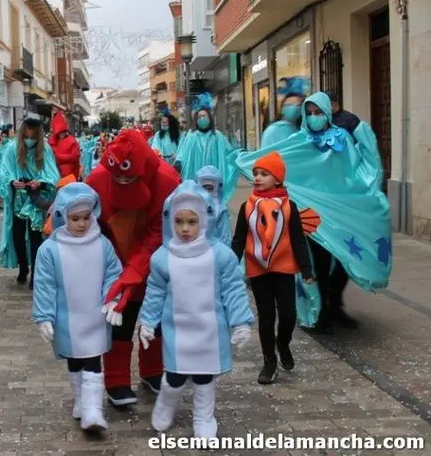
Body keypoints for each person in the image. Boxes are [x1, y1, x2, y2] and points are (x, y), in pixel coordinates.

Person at [235, 91, 391, 334]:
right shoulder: (299, 140)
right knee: (319, 264)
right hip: (313, 217)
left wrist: (365, 195)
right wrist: (246, 161)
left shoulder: (342, 138)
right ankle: (322, 312)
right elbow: (275, 160)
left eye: (318, 112)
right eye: (309, 113)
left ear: (328, 112)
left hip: (340, 213)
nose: (314, 117)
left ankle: (335, 305)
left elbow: (353, 172)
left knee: (344, 261)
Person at [138, 181, 254, 437]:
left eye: (192, 221)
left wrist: (241, 322)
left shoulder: (220, 255)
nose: (185, 228)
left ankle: (204, 418)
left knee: (205, 377)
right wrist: (148, 321)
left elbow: (233, 289)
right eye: (179, 221)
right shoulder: (163, 257)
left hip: (209, 329)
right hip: (177, 329)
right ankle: (166, 403)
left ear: (204, 220)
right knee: (175, 375)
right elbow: (155, 292)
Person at [86, 130, 181, 407]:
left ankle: (152, 371)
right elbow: (91, 224)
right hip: (114, 258)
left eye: (129, 178)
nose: (124, 182)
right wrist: (114, 268)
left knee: (157, 318)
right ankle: (116, 380)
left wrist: (136, 268)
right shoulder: (97, 181)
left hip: (157, 260)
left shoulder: (167, 181)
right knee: (120, 318)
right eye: (119, 178)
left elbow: (161, 230)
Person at [32, 183, 123, 432]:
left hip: (95, 316)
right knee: (74, 359)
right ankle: (81, 400)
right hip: (67, 318)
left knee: (93, 359)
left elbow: (113, 274)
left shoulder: (102, 244)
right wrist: (44, 316)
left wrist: (112, 299)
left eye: (86, 217)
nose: (82, 224)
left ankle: (93, 409)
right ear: (63, 216)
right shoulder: (50, 249)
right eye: (75, 219)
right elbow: (45, 284)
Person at [230, 151, 313, 384]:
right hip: (258, 269)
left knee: (288, 315)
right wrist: (229, 265)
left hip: (284, 268)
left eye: (264, 174)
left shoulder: (289, 207)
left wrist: (306, 269)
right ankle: (269, 362)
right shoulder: (247, 207)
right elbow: (238, 240)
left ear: (277, 179)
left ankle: (283, 342)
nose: (257, 177)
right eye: (255, 173)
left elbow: (298, 239)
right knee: (266, 316)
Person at [0, 115, 60, 289]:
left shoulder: (45, 150)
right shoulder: (12, 149)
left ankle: (35, 275)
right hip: (18, 200)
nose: (29, 140)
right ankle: (23, 267)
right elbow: (4, 172)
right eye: (26, 137)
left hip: (36, 201)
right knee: (17, 237)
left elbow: (53, 176)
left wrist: (41, 182)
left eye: (33, 137)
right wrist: (12, 181)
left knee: (35, 239)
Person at [174, 93, 239, 204]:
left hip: (212, 180)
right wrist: (178, 162)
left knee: (212, 203)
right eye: (199, 117)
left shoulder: (217, 136)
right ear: (196, 120)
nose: (202, 119)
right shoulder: (191, 136)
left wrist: (239, 156)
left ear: (210, 118)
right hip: (195, 177)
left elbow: (229, 153)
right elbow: (183, 152)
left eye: (204, 116)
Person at [196, 166, 232, 246]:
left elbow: (224, 236)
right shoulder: (193, 205)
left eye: (210, 188)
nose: (206, 192)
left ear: (216, 189)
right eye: (204, 188)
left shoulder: (220, 209)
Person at [48, 112, 81, 179]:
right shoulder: (53, 141)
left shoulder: (72, 141)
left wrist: (58, 156)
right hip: (55, 173)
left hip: (68, 175)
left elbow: (75, 157)